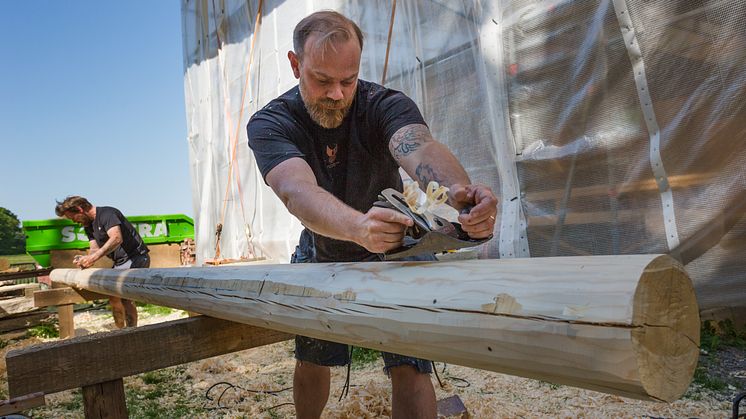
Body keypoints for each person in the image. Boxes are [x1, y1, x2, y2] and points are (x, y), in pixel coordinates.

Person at [247, 10, 498, 419]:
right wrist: (358, 227)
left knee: (412, 361)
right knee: (313, 355)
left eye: (348, 80)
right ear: (295, 65)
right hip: (325, 242)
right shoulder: (271, 122)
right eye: (322, 80)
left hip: (395, 243)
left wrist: (460, 195)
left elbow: (418, 148)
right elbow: (296, 190)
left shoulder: (383, 103)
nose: (337, 95)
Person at [55, 196, 150, 328]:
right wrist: (85, 259)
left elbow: (116, 238)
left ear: (79, 209)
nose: (74, 221)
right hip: (120, 262)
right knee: (113, 297)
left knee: (125, 297)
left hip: (136, 257)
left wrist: (93, 258)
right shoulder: (88, 225)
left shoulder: (107, 214)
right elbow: (94, 249)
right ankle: (120, 330)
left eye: (73, 217)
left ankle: (131, 331)